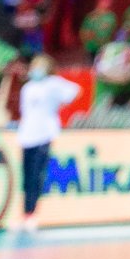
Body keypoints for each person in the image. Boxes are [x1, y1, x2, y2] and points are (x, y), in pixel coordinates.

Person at [15, 54, 81, 229]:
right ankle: (25, 213)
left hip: (43, 135)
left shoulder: (53, 84)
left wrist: (57, 105)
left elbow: (74, 91)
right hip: (27, 135)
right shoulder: (28, 87)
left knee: (36, 175)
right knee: (26, 177)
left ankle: (32, 214)